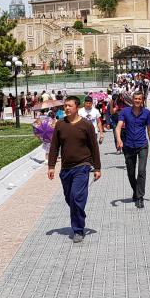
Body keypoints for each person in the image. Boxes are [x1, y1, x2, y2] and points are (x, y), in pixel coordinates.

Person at [47, 95, 101, 243]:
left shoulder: (87, 125)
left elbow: (94, 147)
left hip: (82, 166)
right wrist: (51, 166)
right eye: (65, 106)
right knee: (70, 198)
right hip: (66, 169)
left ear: (77, 107)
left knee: (77, 196)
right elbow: (54, 147)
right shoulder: (60, 125)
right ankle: (80, 215)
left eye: (70, 105)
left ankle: (78, 230)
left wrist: (97, 167)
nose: (67, 108)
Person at [116, 91, 150, 208]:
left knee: (142, 171)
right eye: (136, 98)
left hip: (142, 145)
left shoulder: (147, 113)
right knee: (130, 173)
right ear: (132, 100)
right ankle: (136, 191)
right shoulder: (125, 112)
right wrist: (119, 139)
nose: (137, 101)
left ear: (142, 100)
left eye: (139, 99)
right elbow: (118, 127)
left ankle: (140, 197)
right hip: (128, 146)